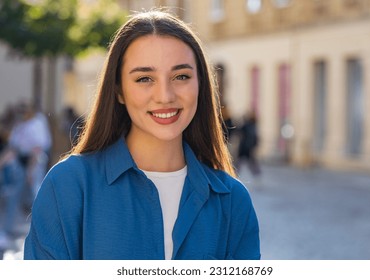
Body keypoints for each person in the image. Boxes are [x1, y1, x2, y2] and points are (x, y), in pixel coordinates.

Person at [24, 10, 260, 260]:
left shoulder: (233, 201)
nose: (165, 96)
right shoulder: (68, 186)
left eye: (181, 76)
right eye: (144, 78)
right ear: (119, 91)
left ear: (201, 85)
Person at [237, 111, 261, 176]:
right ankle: (257, 173)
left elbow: (239, 130)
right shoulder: (253, 125)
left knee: (241, 161)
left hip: (245, 146)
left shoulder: (247, 125)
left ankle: (235, 172)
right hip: (249, 146)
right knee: (250, 161)